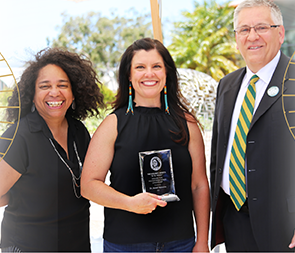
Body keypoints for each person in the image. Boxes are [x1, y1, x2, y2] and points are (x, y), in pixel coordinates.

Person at [210, 0, 295, 252]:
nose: (252, 36)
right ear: (237, 37)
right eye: (244, 29)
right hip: (236, 220)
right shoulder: (226, 86)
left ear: (280, 33)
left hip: (291, 227)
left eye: (262, 27)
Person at [81, 38, 210, 252]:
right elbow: (88, 185)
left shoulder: (187, 124)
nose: (149, 74)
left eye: (156, 66)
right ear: (129, 76)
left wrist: (202, 241)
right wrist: (129, 203)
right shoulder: (113, 124)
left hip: (181, 244)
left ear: (167, 73)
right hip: (125, 245)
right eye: (140, 67)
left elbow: (199, 186)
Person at [0, 48, 104, 252]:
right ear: (32, 94)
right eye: (44, 86)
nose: (54, 92)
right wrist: (21, 198)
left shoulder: (79, 132)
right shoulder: (20, 136)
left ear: (74, 93)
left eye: (62, 85)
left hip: (76, 245)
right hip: (28, 246)